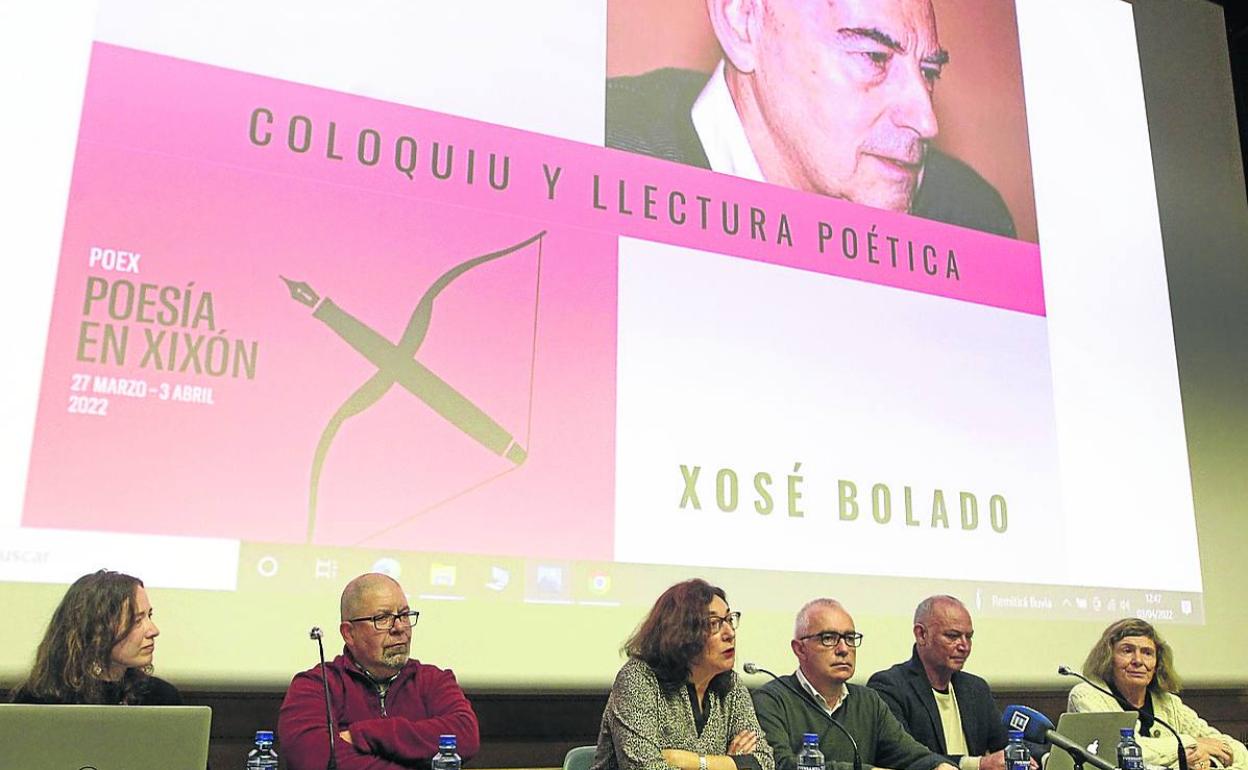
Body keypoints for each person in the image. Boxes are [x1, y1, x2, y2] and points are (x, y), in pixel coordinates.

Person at [606, 0, 1017, 238]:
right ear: (743, 20)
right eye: (874, 57)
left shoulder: (968, 219)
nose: (927, 122)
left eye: (928, 72)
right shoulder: (597, 151)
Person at [278, 573, 480, 770]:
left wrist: (363, 735)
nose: (399, 627)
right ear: (349, 633)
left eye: (404, 615)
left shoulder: (433, 680)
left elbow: (465, 736)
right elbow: (313, 757)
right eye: (383, 618)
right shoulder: (317, 684)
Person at [590, 578, 775, 770]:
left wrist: (692, 762)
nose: (730, 633)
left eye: (729, 620)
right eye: (714, 624)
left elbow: (764, 762)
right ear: (681, 632)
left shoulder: (730, 685)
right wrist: (729, 764)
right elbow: (646, 768)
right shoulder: (638, 679)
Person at [751, 598, 957, 770]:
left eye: (850, 638)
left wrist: (939, 766)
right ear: (799, 649)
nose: (843, 649)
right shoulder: (772, 700)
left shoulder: (868, 701)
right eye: (828, 638)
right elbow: (778, 765)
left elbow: (910, 754)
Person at [867, 596, 1042, 770]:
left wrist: (1046, 757)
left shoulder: (975, 688)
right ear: (921, 635)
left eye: (969, 637)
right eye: (953, 636)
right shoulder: (890, 686)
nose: (964, 646)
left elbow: (1006, 741)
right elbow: (903, 757)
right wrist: (977, 764)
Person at [1067, 618, 1246, 770]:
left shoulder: (1169, 704)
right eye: (1127, 651)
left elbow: (1234, 750)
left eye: (1147, 653)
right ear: (1108, 658)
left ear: (1157, 663)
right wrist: (1191, 746)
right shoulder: (1087, 696)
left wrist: (1210, 762)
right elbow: (1124, 754)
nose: (1138, 661)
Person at [9, 568, 181, 705]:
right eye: (136, 621)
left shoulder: (161, 698)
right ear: (97, 629)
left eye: (149, 616)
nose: (153, 630)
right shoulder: (39, 700)